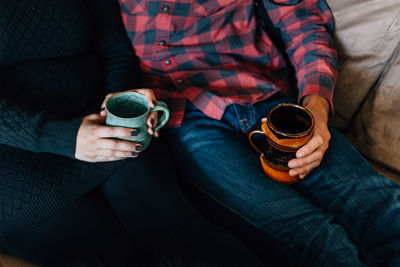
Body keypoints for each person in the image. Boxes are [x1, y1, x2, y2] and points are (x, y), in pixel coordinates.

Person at [119, 0, 400, 265]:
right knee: (312, 238)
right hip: (182, 117)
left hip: (265, 96)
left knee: (377, 204)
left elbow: (300, 20)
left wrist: (317, 107)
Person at [0, 0, 264, 266]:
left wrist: (123, 102)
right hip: (16, 161)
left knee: (184, 237)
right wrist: (62, 137)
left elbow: (114, 47)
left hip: (105, 121)